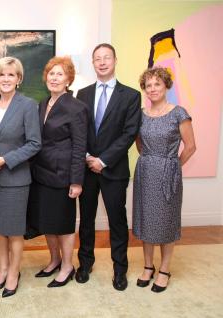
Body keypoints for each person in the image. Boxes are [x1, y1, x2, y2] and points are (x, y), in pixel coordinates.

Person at [76, 43, 142, 291]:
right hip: (86, 168)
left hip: (113, 170)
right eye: (97, 59)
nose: (102, 62)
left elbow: (129, 134)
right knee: (86, 221)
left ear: (115, 60)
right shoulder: (82, 94)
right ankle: (85, 264)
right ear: (93, 63)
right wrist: (86, 156)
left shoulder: (131, 96)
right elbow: (78, 131)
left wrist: (102, 160)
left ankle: (120, 270)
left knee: (117, 221)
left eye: (106, 58)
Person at [0, 56, 41, 297]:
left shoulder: (27, 105)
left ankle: (14, 273)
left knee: (14, 230)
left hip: (15, 178)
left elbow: (35, 143)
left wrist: (6, 160)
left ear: (18, 79)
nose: (6, 78)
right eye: (1, 74)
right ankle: (3, 269)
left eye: (11, 74)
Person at [133, 67, 196, 293]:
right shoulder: (140, 114)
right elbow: (139, 144)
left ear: (166, 85)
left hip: (168, 173)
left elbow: (190, 147)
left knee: (167, 221)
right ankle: (148, 267)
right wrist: (151, 160)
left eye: (157, 84)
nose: (152, 89)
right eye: (148, 85)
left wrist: (173, 166)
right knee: (146, 219)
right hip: (146, 171)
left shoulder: (179, 112)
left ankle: (165, 270)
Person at [27, 56, 87, 288]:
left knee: (63, 224)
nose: (54, 78)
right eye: (51, 73)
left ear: (68, 79)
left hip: (63, 176)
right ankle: (54, 260)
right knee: (47, 221)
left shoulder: (76, 107)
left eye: (60, 74)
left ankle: (67, 266)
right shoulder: (41, 104)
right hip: (40, 174)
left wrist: (76, 181)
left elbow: (80, 146)